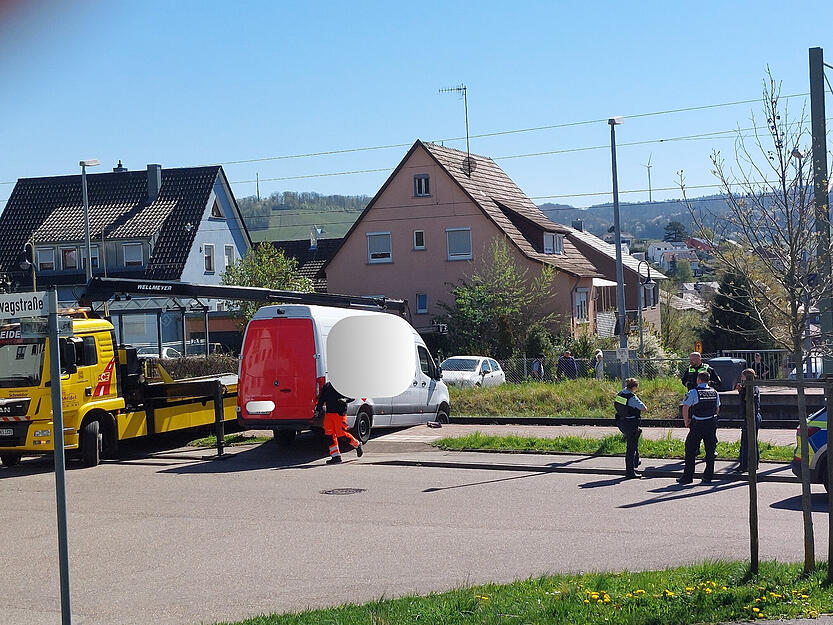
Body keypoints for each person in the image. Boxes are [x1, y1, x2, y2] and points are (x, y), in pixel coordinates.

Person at [677, 371, 720, 485]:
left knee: (690, 450)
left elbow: (685, 407)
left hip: (698, 425)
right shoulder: (714, 392)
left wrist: (686, 422)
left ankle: (688, 477)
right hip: (711, 424)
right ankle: (708, 477)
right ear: (708, 380)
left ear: (699, 380)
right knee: (710, 451)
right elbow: (717, 408)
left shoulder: (693, 392)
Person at [315, 381, 363, 464]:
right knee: (329, 435)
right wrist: (318, 410)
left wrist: (344, 400)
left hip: (339, 414)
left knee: (341, 434)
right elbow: (322, 398)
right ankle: (336, 457)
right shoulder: (327, 386)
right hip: (329, 414)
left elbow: (352, 397)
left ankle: (357, 444)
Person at [614, 377, 647, 479]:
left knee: (633, 442)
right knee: (630, 448)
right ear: (634, 387)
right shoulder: (632, 398)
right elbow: (644, 408)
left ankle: (636, 461)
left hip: (622, 422)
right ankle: (630, 472)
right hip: (631, 423)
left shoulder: (620, 394)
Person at [734, 367, 761, 473]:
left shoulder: (751, 387)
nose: (741, 378)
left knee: (747, 442)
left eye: (742, 376)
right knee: (751, 441)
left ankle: (745, 465)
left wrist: (741, 392)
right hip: (751, 416)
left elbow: (749, 401)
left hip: (751, 417)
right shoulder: (751, 386)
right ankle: (752, 464)